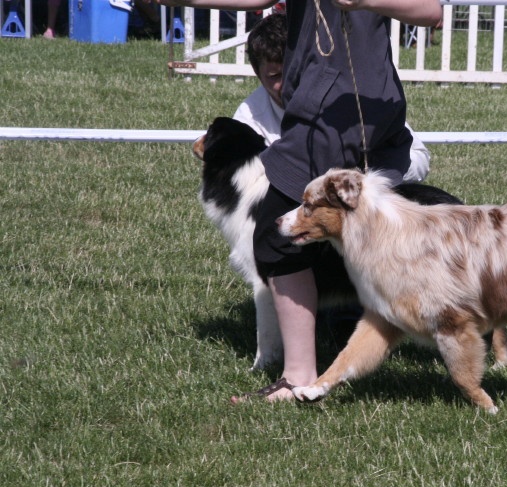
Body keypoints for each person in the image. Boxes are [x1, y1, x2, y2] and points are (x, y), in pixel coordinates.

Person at [155, 0, 443, 402]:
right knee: (331, 240)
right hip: (318, 118)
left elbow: (430, 11)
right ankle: (312, 368)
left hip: (351, 121)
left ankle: (300, 375)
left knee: (277, 236)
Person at [234, 12, 430, 182]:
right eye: (274, 76)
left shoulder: (347, 95)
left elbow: (419, 159)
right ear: (258, 75)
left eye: (295, 70)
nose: (287, 84)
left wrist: (371, 176)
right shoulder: (248, 120)